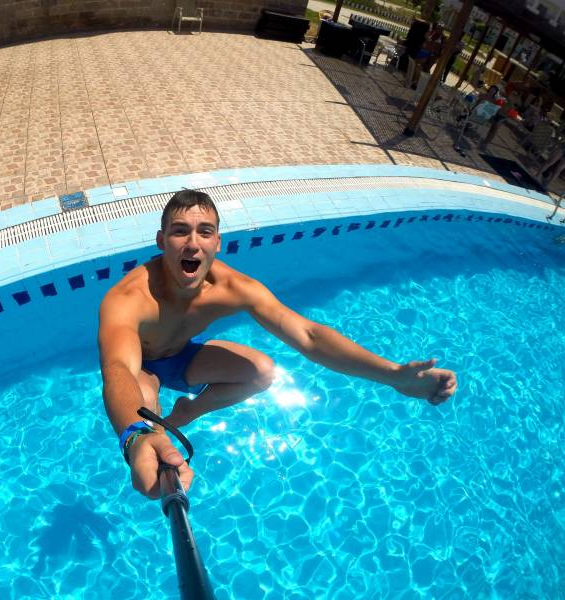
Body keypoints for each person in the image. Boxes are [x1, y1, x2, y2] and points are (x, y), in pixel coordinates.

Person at [98, 190, 458, 499]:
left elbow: (309, 336)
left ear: (217, 243)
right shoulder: (128, 298)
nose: (193, 243)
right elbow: (118, 368)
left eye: (204, 232)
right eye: (180, 231)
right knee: (147, 413)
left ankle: (187, 412)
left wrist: (393, 375)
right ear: (161, 241)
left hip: (183, 355)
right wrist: (135, 436)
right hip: (143, 367)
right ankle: (155, 433)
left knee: (262, 372)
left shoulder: (233, 288)